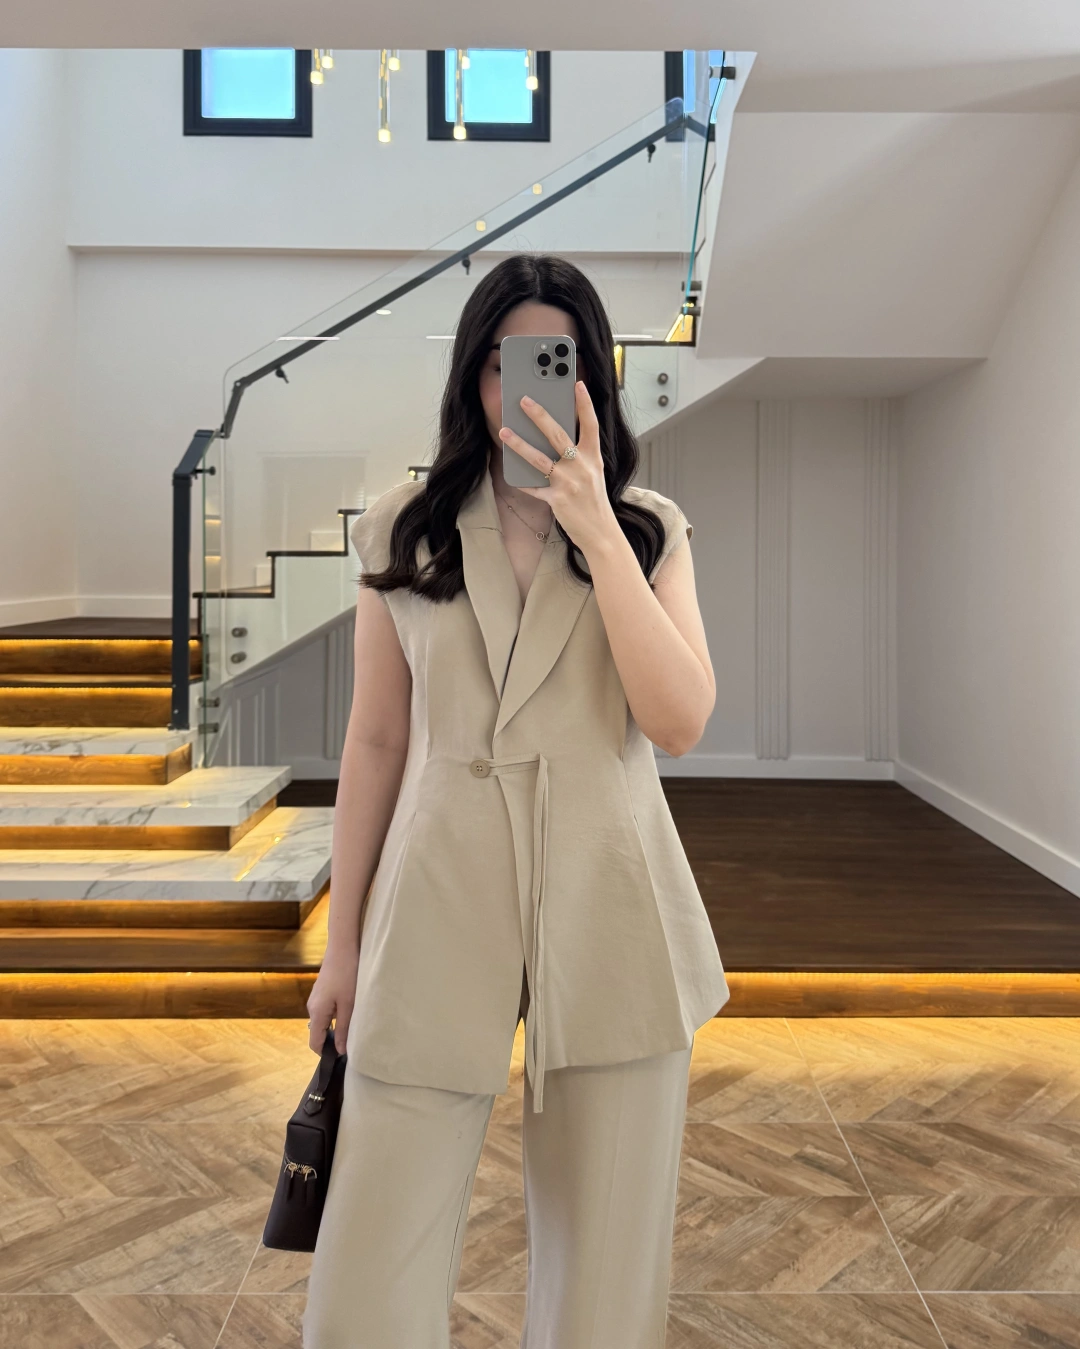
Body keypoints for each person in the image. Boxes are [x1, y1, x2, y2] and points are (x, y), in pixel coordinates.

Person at [301, 253, 730, 1348]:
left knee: (606, 1282)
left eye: (552, 359)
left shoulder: (647, 527)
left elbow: (679, 719)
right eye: (502, 362)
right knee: (368, 1265)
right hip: (435, 899)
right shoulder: (404, 528)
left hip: (613, 902)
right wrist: (342, 945)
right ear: (471, 375)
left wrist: (597, 529)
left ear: (590, 378)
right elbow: (377, 739)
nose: (523, 386)